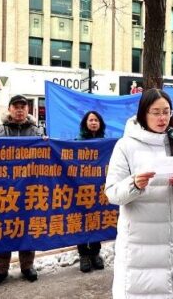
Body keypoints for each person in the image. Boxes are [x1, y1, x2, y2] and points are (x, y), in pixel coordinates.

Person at [105, 88, 173, 298]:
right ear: (143, 113)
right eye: (156, 112)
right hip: (139, 245)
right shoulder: (125, 146)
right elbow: (112, 194)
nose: (162, 118)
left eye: (166, 111)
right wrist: (134, 184)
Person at [0, 95, 45, 288]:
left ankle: (27, 266)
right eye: (16, 107)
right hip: (4, 191)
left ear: (28, 110)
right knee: (2, 228)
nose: (19, 110)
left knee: (27, 227)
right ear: (10, 109)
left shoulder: (38, 132)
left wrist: (46, 142)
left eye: (23, 107)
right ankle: (0, 269)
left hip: (29, 189)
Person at [76, 111, 106, 273]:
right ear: (85, 123)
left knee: (97, 219)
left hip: (98, 188)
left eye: (96, 120)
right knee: (81, 222)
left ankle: (95, 253)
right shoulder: (78, 142)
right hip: (81, 187)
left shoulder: (105, 142)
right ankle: (83, 255)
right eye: (91, 120)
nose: (93, 122)